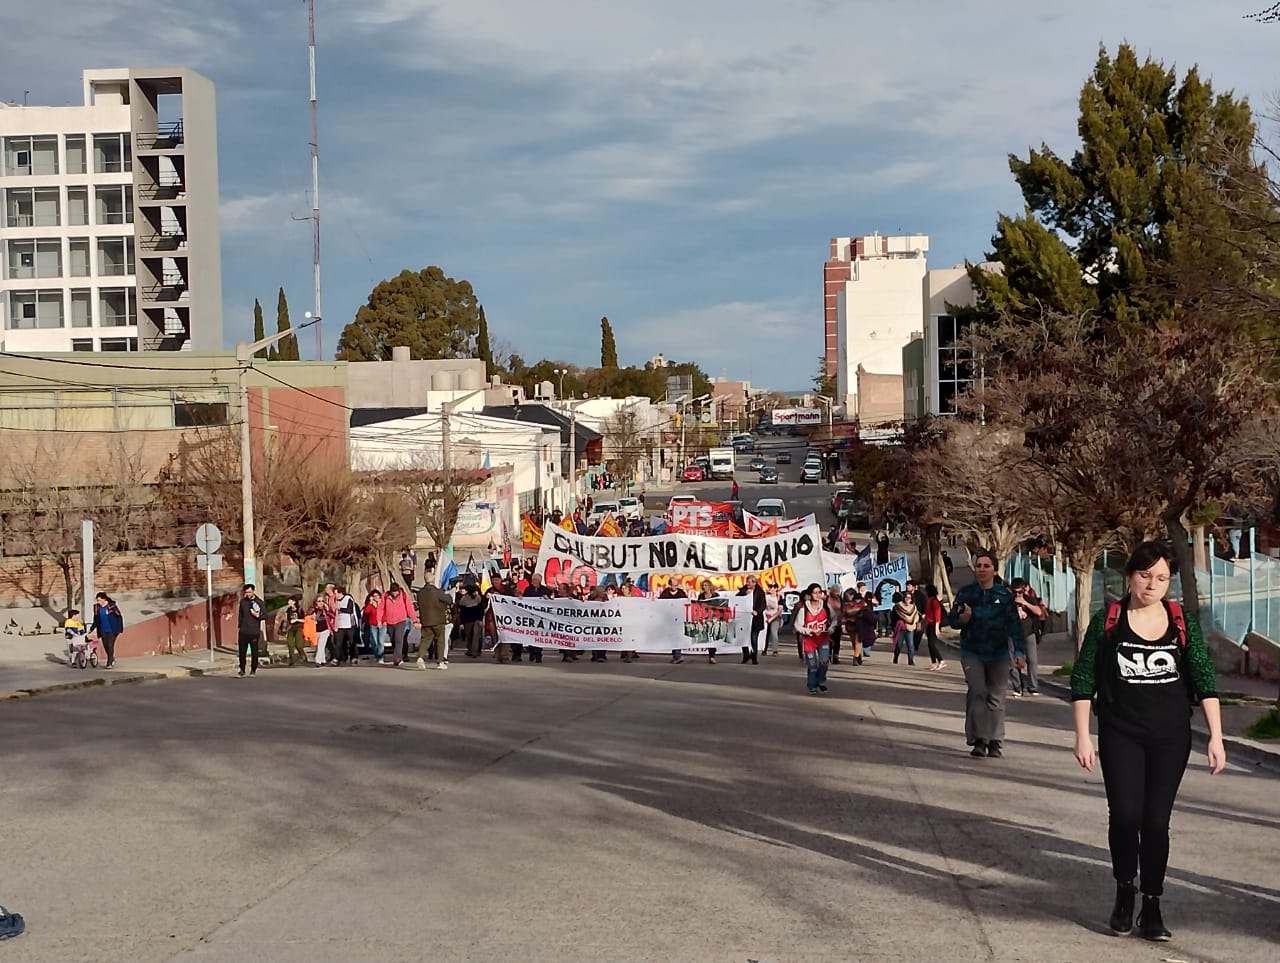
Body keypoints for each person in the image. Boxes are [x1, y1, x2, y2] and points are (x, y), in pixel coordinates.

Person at [1070, 540, 1225, 942]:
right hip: (1121, 733)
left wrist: (1217, 737)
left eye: (1161, 577)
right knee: (1125, 816)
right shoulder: (1108, 621)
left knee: (1156, 822)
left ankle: (1151, 904)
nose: (1153, 584)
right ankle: (1125, 891)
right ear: (1129, 577)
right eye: (1145, 575)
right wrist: (1083, 736)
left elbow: (1204, 678)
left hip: (1170, 737)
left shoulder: (1181, 622)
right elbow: (1083, 678)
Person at [946, 549, 1025, 758]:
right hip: (972, 650)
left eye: (986, 566)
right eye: (978, 566)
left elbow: (1014, 625)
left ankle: (995, 740)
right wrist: (963, 619)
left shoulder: (1004, 596)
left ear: (994, 570)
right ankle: (979, 739)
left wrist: (1018, 651)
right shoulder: (966, 593)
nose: (981, 570)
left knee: (996, 697)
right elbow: (952, 620)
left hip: (998, 653)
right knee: (977, 690)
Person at [792, 583, 831, 695]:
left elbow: (833, 620)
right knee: (812, 664)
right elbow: (797, 626)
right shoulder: (803, 608)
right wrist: (810, 631)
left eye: (819, 592)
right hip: (809, 639)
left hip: (823, 637)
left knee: (824, 661)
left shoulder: (825, 606)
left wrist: (831, 628)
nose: (817, 595)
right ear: (810, 594)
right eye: (815, 592)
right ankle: (812, 685)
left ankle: (821, 681)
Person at [1009, 577, 1045, 696]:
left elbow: (1039, 612)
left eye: (1020, 592)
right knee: (1013, 662)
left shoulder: (1029, 599)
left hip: (1029, 633)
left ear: (1024, 590)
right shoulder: (1008, 601)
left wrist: (1025, 603)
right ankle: (1017, 687)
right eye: (1015, 592)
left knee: (1032, 660)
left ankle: (1033, 687)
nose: (1017, 595)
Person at [417, 579, 453, 669]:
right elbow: (449, 600)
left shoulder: (420, 593)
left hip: (425, 620)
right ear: (433, 581)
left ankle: (420, 657)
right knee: (440, 640)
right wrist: (447, 594)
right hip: (438, 620)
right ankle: (440, 661)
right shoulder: (437, 592)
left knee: (425, 640)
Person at [89, 592, 124, 669]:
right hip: (102, 629)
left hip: (112, 629)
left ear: (104, 599)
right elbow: (96, 620)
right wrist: (91, 628)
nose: (98, 602)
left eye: (99, 600)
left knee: (110, 645)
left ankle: (109, 663)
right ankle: (111, 658)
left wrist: (120, 628)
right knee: (105, 646)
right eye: (97, 600)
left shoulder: (111, 606)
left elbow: (119, 616)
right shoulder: (97, 608)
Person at [237, 583, 264, 677]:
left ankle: (253, 670)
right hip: (243, 631)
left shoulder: (259, 602)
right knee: (242, 652)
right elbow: (240, 615)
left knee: (254, 651)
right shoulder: (243, 602)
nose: (248, 594)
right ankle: (242, 669)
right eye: (246, 592)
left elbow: (264, 615)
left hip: (254, 631)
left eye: (249, 592)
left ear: (253, 591)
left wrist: (258, 615)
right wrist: (240, 626)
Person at [737, 575, 764, 664]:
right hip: (744, 619)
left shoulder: (760, 592)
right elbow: (737, 600)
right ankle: (746, 655)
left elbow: (762, 604)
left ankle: (754, 656)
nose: (747, 583)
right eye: (747, 582)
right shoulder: (742, 591)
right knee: (743, 637)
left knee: (754, 637)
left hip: (755, 619)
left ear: (754, 583)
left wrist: (757, 611)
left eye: (749, 582)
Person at [456, 582, 486, 658]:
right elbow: (462, 612)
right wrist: (462, 623)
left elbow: (481, 610)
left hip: (476, 620)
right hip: (467, 621)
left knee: (476, 635)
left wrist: (480, 619)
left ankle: (475, 651)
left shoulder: (478, 598)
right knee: (469, 635)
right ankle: (470, 650)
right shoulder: (464, 599)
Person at [660, 583, 688, 663]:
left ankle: (677, 656)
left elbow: (685, 603)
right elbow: (660, 603)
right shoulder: (665, 593)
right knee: (672, 637)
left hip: (679, 618)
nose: (675, 587)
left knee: (677, 636)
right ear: (669, 585)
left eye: (676, 585)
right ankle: (676, 655)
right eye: (673, 585)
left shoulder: (681, 592)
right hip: (669, 618)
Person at [892, 590, 921, 666]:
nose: (908, 599)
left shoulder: (913, 607)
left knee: (911, 645)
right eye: (906, 597)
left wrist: (915, 622)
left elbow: (916, 616)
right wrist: (895, 625)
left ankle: (910, 660)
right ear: (903, 598)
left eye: (909, 598)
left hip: (910, 628)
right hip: (901, 628)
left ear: (912, 599)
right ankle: (895, 657)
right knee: (899, 645)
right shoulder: (898, 606)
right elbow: (893, 617)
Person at [277, 597, 308, 666]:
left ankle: (303, 655)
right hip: (291, 627)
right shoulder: (288, 610)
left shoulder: (299, 610)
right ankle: (292, 658)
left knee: (298, 644)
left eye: (290, 601)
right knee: (290, 642)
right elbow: (287, 620)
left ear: (294, 602)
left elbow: (304, 620)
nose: (288, 602)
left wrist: (296, 620)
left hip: (299, 627)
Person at [923, 584, 946, 670]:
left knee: (932, 644)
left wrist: (937, 627)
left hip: (934, 625)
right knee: (929, 645)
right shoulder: (929, 600)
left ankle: (941, 660)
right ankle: (933, 662)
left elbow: (937, 615)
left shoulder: (934, 601)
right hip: (929, 624)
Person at [696, 578, 719, 664]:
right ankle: (711, 655)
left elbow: (719, 606)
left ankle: (712, 656)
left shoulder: (715, 595)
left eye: (706, 585)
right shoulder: (701, 596)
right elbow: (698, 606)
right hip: (705, 618)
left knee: (713, 636)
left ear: (710, 586)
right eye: (703, 585)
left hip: (714, 618)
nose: (704, 587)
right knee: (708, 637)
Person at [361, 590, 386, 664]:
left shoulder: (382, 603)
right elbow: (366, 612)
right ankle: (377, 655)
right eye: (374, 596)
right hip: (373, 624)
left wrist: (384, 621)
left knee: (380, 641)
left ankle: (381, 657)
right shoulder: (371, 604)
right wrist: (370, 603)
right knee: (374, 641)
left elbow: (385, 612)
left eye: (377, 596)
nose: (376, 597)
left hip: (382, 624)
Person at [762, 582, 782, 656]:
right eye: (769, 586)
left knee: (774, 633)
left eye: (771, 587)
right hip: (766, 616)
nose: (769, 588)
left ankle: (775, 650)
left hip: (775, 617)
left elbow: (779, 611)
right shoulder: (765, 596)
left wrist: (771, 619)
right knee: (765, 634)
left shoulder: (779, 597)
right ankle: (764, 649)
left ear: (776, 589)